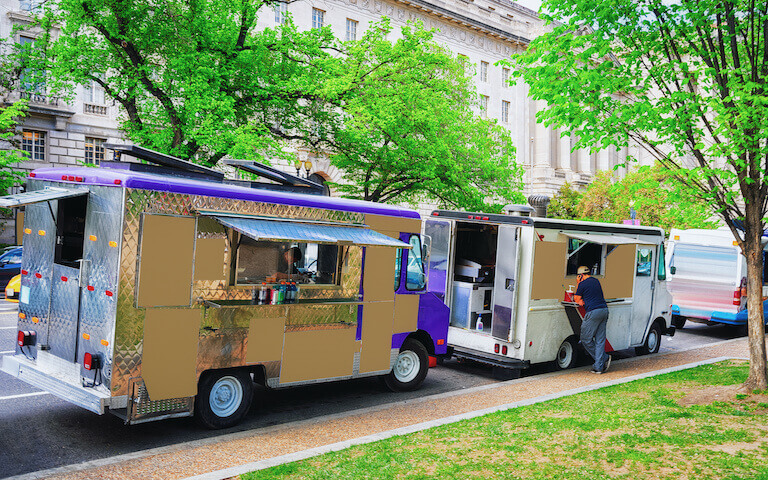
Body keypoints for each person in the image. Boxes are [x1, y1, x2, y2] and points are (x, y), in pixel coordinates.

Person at [574, 265, 611, 374]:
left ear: (580, 275)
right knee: (600, 340)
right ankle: (598, 367)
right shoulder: (596, 281)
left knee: (585, 339)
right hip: (604, 310)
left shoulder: (582, 284)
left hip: (593, 313)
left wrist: (578, 283)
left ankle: (603, 358)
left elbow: (577, 299)